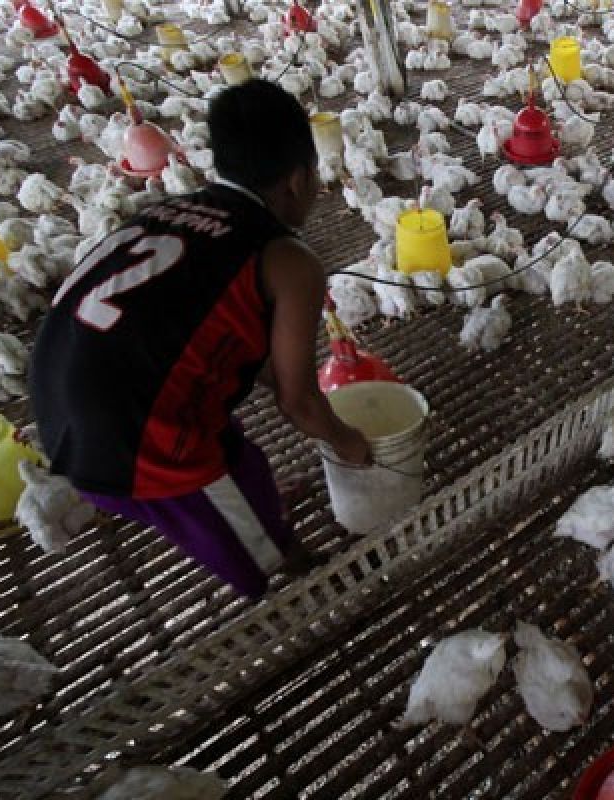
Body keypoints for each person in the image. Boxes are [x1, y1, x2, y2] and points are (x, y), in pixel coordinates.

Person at [30, 79, 372, 599]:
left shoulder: (167, 211)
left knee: (243, 464)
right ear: (300, 180)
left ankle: (250, 507)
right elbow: (298, 403)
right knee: (239, 539)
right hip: (125, 436)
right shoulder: (289, 262)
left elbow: (235, 349)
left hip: (58, 389)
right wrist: (348, 440)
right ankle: (286, 575)